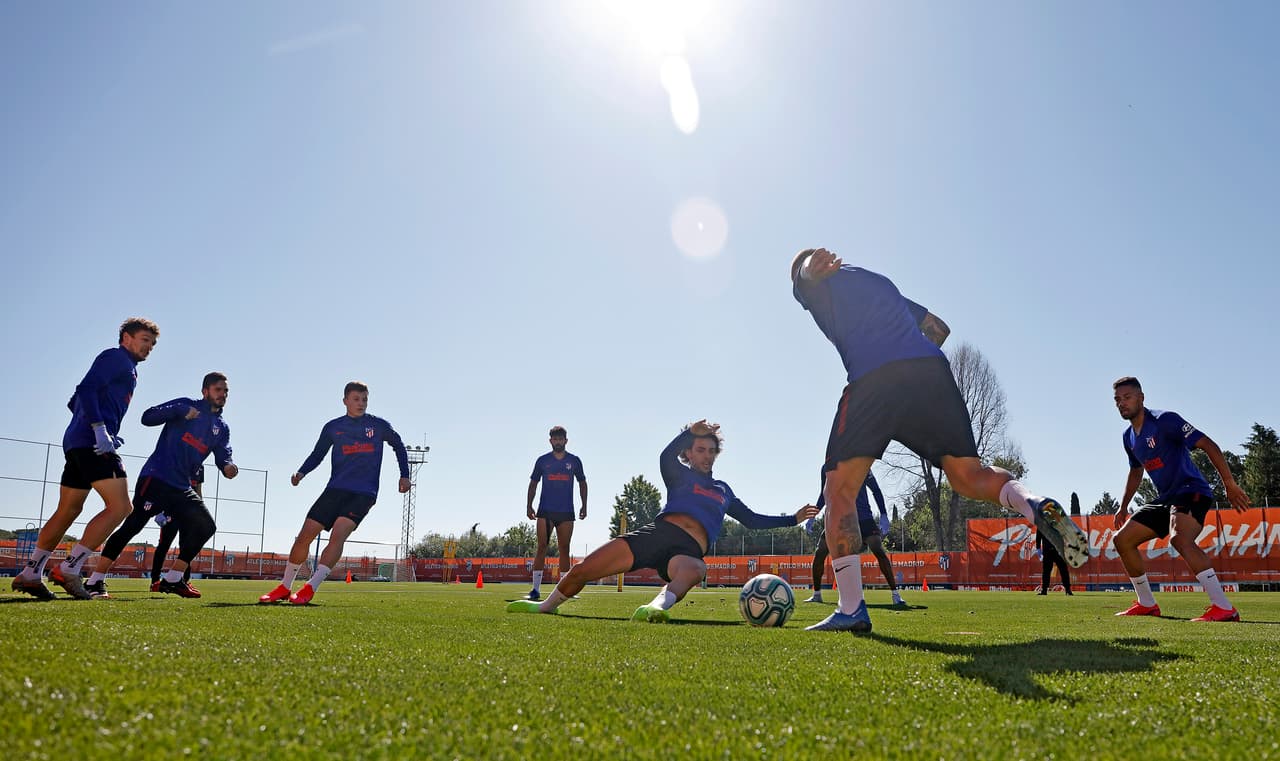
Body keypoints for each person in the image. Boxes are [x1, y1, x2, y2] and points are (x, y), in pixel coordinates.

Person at [790, 248, 1087, 632]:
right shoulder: (880, 284)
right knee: (969, 475)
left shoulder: (821, 282)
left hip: (873, 381)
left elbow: (807, 276)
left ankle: (851, 609)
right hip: (930, 374)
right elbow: (939, 329)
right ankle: (1033, 503)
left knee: (839, 489)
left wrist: (808, 269)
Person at [507, 420, 819, 622]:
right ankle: (545, 605)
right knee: (582, 570)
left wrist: (792, 518)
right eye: (701, 449)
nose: (707, 455)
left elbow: (751, 520)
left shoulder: (723, 491)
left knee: (696, 569)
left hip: (686, 550)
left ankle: (656, 607)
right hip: (656, 534)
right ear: (690, 454)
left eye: (712, 451)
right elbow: (664, 457)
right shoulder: (678, 474)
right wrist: (689, 431)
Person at [11, 318, 159, 600]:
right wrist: (99, 429)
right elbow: (86, 389)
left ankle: (31, 572)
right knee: (121, 507)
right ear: (126, 337)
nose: (149, 347)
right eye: (144, 340)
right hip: (92, 443)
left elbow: (74, 400)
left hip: (78, 441)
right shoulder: (116, 357)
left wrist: (93, 425)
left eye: (152, 343)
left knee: (68, 509)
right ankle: (70, 568)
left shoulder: (126, 366)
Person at [83, 372, 236, 599]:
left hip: (182, 488)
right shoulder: (186, 405)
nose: (222, 395)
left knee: (206, 526)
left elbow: (223, 456)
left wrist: (228, 466)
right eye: (218, 390)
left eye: (226, 391)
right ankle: (95, 580)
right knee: (133, 526)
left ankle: (173, 579)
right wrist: (180, 412)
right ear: (205, 391)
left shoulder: (221, 427)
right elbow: (147, 417)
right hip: (156, 478)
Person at [258, 381, 410, 605]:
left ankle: (310, 587)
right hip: (334, 490)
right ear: (345, 401)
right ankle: (284, 586)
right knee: (304, 536)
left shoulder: (378, 426)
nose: (361, 403)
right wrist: (301, 472)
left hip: (363, 493)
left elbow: (398, 445)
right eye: (356, 399)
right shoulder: (333, 427)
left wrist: (404, 474)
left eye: (365, 399)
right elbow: (318, 453)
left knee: (338, 533)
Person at [1110, 377, 1248, 621]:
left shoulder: (1165, 420)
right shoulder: (1128, 437)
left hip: (1191, 490)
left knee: (1180, 538)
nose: (1122, 403)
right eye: (1117, 400)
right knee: (1122, 540)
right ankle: (1147, 603)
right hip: (1166, 498)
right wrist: (1122, 507)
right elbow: (1135, 472)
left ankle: (1224, 607)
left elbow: (1208, 444)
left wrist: (1229, 483)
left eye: (1127, 397)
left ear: (1141, 397)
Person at [804, 471, 905, 606]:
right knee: (820, 552)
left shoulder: (861, 463)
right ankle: (816, 595)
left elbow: (875, 489)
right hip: (839, 518)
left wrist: (883, 514)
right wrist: (813, 515)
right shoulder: (826, 467)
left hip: (863, 518)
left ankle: (895, 594)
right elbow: (824, 494)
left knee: (877, 549)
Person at [524, 425, 588, 600]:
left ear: (566, 441)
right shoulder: (542, 461)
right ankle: (535, 590)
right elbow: (533, 483)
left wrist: (584, 505)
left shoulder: (574, 461)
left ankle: (565, 590)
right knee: (541, 548)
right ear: (550, 441)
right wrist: (529, 506)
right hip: (545, 511)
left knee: (564, 549)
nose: (558, 442)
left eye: (561, 439)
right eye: (555, 439)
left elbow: (582, 483)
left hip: (566, 511)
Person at [1035, 531, 1072, 595]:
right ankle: (1044, 590)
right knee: (1046, 571)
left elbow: (1065, 533)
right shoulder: (1043, 522)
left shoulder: (1058, 521)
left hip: (1058, 550)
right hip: (1047, 550)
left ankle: (1068, 589)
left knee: (1063, 569)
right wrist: (1038, 548)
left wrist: (1067, 546)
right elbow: (1038, 535)